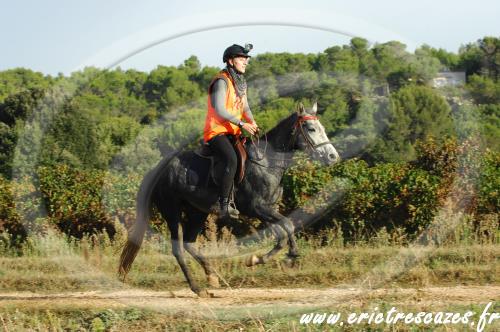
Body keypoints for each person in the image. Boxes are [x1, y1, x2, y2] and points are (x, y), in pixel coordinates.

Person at [203, 43, 259, 219]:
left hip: (232, 131)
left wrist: (253, 122)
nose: (245, 62)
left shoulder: (241, 82)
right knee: (232, 159)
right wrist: (243, 124)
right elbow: (220, 109)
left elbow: (245, 106)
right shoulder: (222, 81)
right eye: (241, 58)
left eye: (246, 59)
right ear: (230, 61)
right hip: (216, 132)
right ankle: (224, 205)